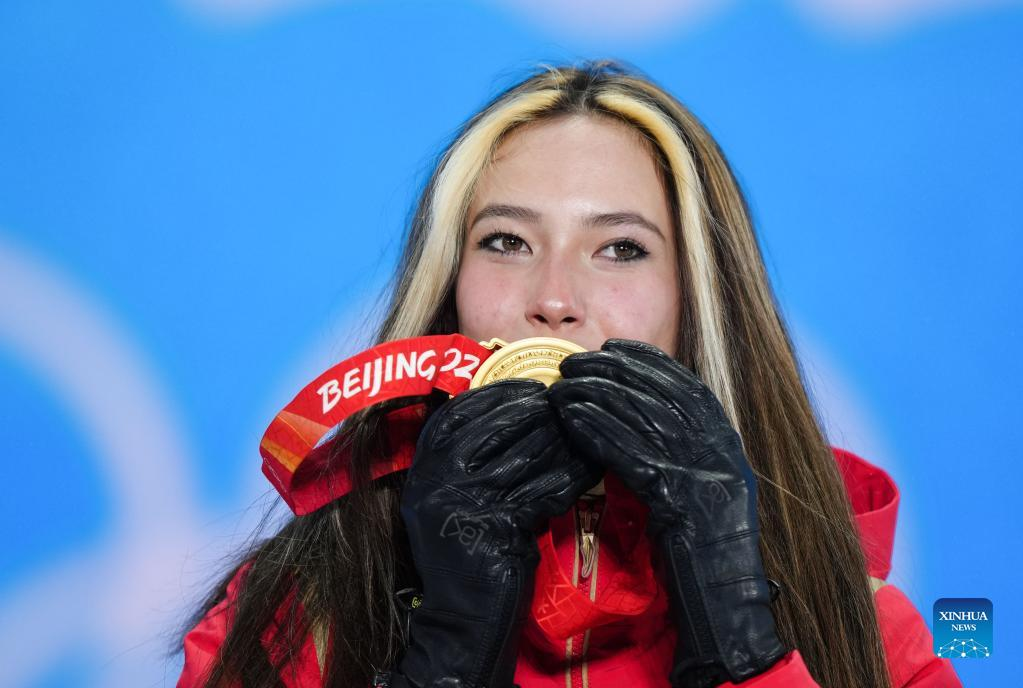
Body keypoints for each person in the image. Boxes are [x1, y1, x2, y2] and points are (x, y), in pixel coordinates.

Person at [175, 61, 962, 687]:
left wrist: (741, 643)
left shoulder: (855, 612)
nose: (553, 299)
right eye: (506, 242)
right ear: (448, 287)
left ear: (695, 300)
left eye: (620, 248)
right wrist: (445, 659)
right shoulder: (297, 608)